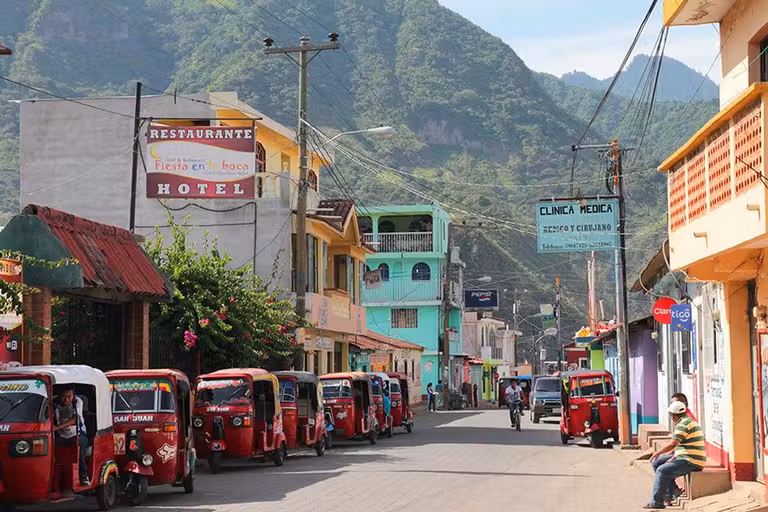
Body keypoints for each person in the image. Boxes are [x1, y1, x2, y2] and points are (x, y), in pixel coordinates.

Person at [644, 401, 705, 509]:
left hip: (691, 460)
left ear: (674, 416)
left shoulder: (682, 424)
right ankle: (672, 491)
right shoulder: (687, 421)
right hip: (685, 455)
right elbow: (681, 444)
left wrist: (657, 452)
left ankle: (656, 502)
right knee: (657, 462)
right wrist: (670, 455)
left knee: (662, 470)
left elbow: (674, 443)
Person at [54, 388, 90, 486]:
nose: (66, 400)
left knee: (79, 454)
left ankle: (84, 477)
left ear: (73, 396)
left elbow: (75, 420)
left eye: (69, 397)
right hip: (61, 436)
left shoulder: (78, 401)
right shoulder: (53, 402)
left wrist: (57, 427)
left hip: (78, 434)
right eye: (64, 397)